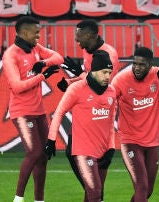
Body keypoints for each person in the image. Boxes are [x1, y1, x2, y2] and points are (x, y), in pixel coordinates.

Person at [56, 19, 120, 201]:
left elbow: (105, 85)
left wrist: (78, 74)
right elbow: (88, 79)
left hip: (100, 110)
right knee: (73, 152)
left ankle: (95, 193)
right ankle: (95, 193)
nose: (78, 43)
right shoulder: (88, 52)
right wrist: (69, 83)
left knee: (85, 157)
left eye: (79, 38)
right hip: (86, 108)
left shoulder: (109, 54)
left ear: (89, 35)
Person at [1, 16, 63, 202]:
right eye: (36, 32)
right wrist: (42, 77)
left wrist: (44, 63)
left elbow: (58, 57)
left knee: (43, 156)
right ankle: (18, 198)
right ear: (25, 33)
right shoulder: (11, 55)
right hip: (21, 112)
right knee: (34, 153)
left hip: (38, 111)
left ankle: (39, 200)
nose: (39, 35)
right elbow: (17, 86)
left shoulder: (35, 48)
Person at [44, 50, 116, 202]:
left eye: (110, 72)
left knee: (93, 195)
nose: (108, 76)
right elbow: (59, 113)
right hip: (83, 151)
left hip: (103, 151)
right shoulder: (77, 89)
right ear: (94, 71)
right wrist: (51, 140)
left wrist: (111, 148)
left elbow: (110, 124)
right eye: (104, 72)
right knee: (95, 193)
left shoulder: (111, 92)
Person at [111, 47, 159, 202]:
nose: (137, 68)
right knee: (141, 187)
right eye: (135, 63)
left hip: (152, 142)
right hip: (129, 141)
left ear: (150, 64)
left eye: (141, 64)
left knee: (147, 190)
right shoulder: (121, 79)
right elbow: (108, 102)